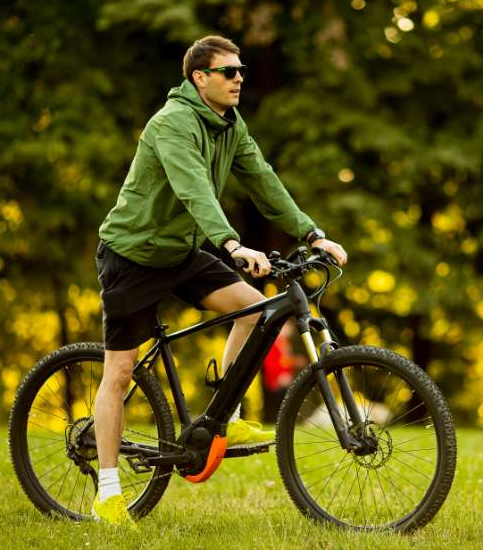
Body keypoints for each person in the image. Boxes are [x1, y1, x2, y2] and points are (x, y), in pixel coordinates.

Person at [92, 35, 347, 524]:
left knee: (253, 309)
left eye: (241, 70)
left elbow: (264, 180)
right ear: (199, 78)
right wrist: (231, 245)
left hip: (182, 251)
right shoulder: (171, 124)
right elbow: (193, 189)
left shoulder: (231, 125)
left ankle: (222, 419)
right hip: (132, 255)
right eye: (228, 72)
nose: (239, 79)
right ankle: (107, 491)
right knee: (119, 372)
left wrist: (312, 234)